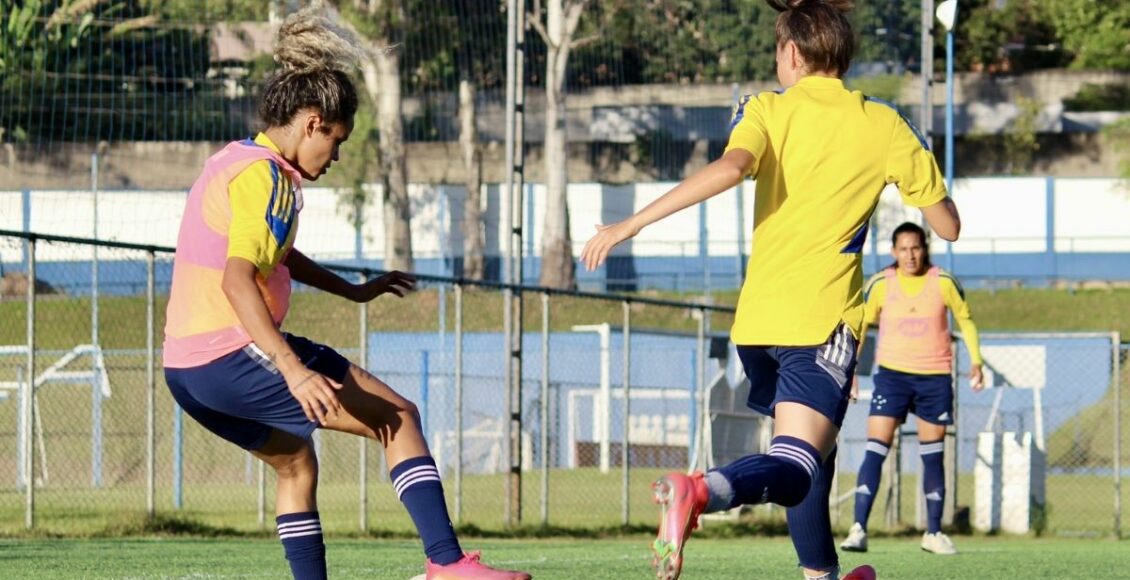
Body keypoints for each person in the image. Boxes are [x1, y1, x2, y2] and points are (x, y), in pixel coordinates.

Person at [581, 0, 961, 578]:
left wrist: (629, 224)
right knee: (798, 464)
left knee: (815, 451)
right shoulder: (883, 124)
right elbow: (947, 225)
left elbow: (732, 167)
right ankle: (702, 490)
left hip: (758, 324)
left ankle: (821, 574)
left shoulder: (763, 108)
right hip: (822, 322)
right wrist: (921, 175)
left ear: (790, 53)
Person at [162, 9, 529, 580]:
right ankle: (447, 565)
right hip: (232, 356)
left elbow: (272, 255)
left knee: (295, 464)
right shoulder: (273, 179)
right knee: (398, 417)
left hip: (186, 372)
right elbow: (238, 280)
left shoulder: (235, 160)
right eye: (334, 141)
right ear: (311, 123)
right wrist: (292, 369)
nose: (333, 157)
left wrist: (353, 292)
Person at [840, 222, 984, 556]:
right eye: (903, 249)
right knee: (876, 448)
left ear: (925, 248)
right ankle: (858, 528)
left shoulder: (944, 282)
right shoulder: (880, 284)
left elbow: (966, 320)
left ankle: (933, 532)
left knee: (933, 456)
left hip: (934, 378)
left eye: (915, 248)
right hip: (891, 376)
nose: (910, 255)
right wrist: (851, 371)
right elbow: (860, 327)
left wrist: (976, 361)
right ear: (894, 252)